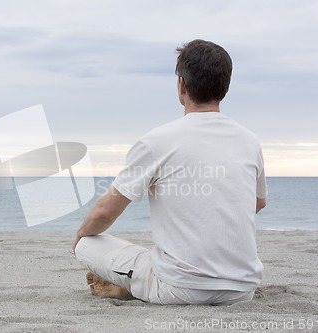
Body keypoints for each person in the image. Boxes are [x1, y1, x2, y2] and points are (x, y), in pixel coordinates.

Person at [72, 39, 267, 305]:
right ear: (225, 87)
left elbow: (107, 211)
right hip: (243, 290)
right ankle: (136, 283)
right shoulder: (249, 140)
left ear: (182, 85)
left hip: (181, 288)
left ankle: (133, 286)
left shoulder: (157, 141)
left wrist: (82, 234)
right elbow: (257, 203)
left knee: (87, 244)